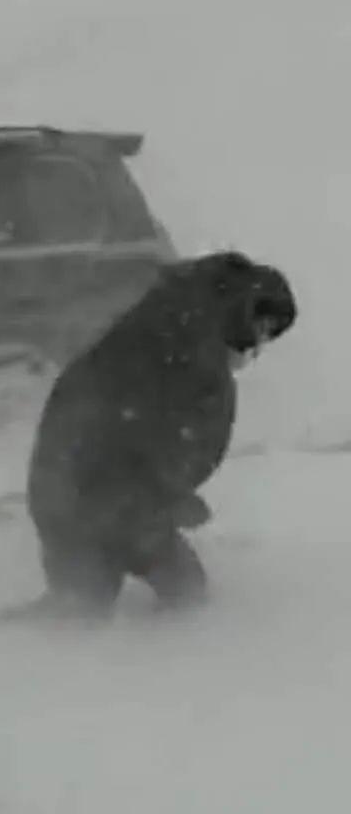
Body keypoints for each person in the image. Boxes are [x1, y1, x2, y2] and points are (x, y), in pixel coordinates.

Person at [24, 250, 297, 616]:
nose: (255, 346)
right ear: (248, 306)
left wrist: (167, 494)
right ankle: (171, 665)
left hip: (75, 481)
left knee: (81, 604)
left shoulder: (176, 315)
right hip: (99, 488)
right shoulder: (192, 344)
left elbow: (145, 424)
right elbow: (151, 432)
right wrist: (169, 494)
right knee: (179, 594)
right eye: (262, 329)